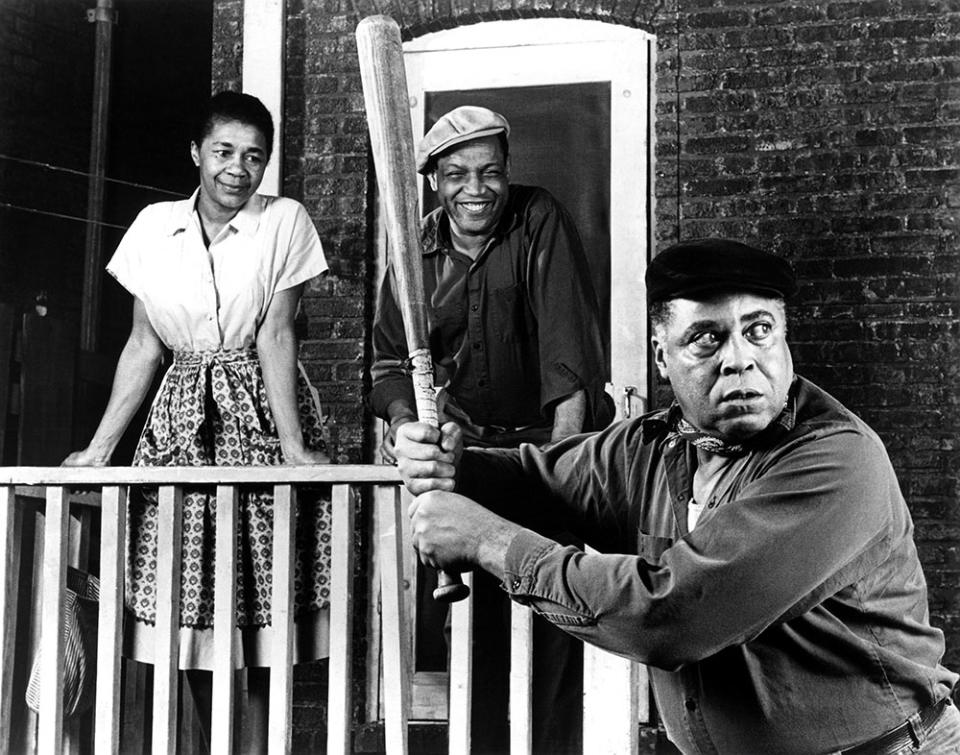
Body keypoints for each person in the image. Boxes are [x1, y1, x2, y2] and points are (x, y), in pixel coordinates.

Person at [395, 239, 960, 754]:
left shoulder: (835, 459)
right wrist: (451, 464)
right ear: (662, 357)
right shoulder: (650, 448)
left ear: (784, 342)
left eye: (759, 330)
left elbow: (669, 617)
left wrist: (485, 541)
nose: (739, 358)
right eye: (706, 338)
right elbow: (533, 479)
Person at [63, 91, 331, 751]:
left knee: (266, 602)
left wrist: (292, 447)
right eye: (224, 152)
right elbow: (143, 346)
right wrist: (100, 448)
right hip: (180, 418)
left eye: (254, 156)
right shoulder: (154, 226)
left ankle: (264, 745)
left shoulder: (285, 221)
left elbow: (277, 333)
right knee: (184, 605)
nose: (239, 169)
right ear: (196, 153)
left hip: (259, 411)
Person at [369, 105, 612, 753]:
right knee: (476, 645)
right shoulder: (413, 249)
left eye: (490, 172)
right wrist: (406, 423)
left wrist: (560, 476)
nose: (475, 189)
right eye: (456, 175)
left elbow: (570, 365)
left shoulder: (538, 221)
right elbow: (388, 363)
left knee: (555, 630)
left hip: (543, 454)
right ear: (432, 181)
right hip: (465, 464)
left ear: (508, 173)